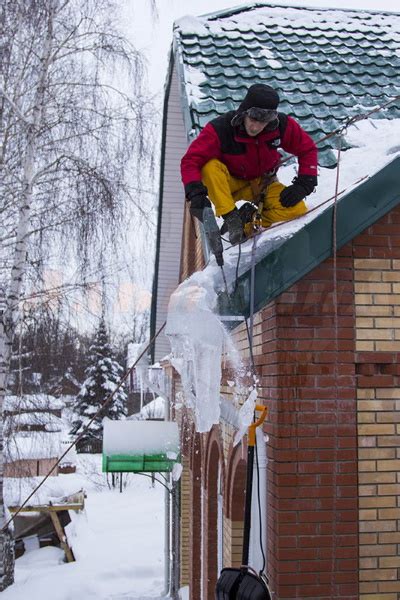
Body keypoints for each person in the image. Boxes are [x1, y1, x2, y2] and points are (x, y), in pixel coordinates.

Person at [181, 83, 318, 245]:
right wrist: (195, 193)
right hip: (228, 185)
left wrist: (304, 183)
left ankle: (247, 222)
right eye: (253, 119)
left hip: (263, 183)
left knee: (298, 209)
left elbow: (308, 148)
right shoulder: (221, 129)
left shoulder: (282, 126)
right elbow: (190, 160)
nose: (256, 127)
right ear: (244, 113)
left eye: (263, 122)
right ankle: (231, 218)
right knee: (209, 167)